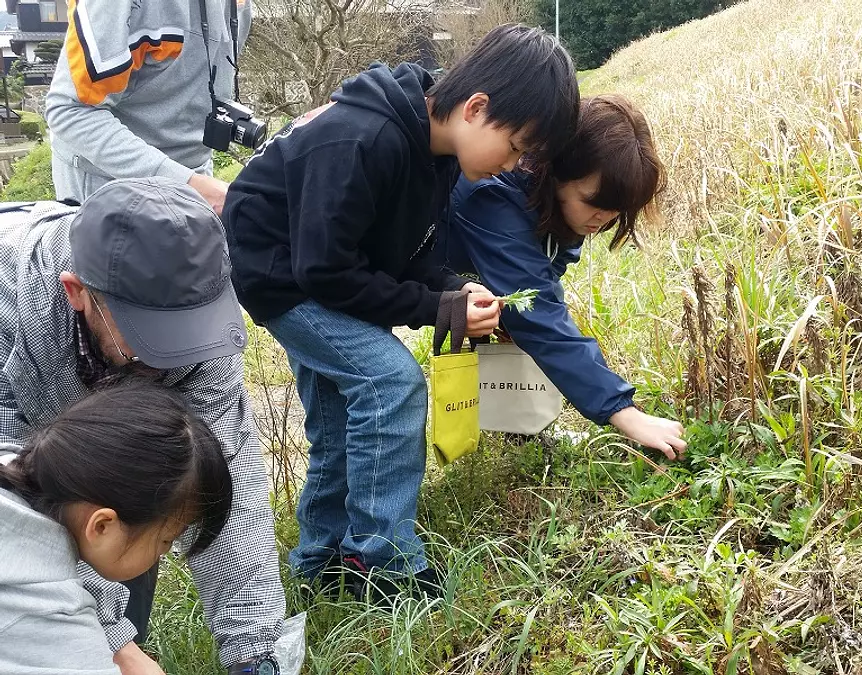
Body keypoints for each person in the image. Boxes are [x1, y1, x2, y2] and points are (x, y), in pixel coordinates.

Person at [222, 24, 579, 600]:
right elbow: (325, 270)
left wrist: (451, 293)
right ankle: (382, 561)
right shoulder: (366, 138)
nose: (513, 165)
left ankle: (320, 561)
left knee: (341, 420)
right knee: (391, 383)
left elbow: (404, 253)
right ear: (477, 108)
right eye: (515, 147)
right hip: (284, 281)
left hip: (322, 273)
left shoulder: (432, 150)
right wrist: (435, 306)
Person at [0, 178, 284, 675]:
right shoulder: (14, 310)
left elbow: (223, 485)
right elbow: (18, 508)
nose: (174, 357)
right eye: (148, 336)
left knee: (142, 519)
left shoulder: (202, 330)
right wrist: (111, 641)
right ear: (78, 293)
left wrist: (254, 652)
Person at [437, 94, 688, 460]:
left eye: (615, 211)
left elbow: (540, 284)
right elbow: (538, 312)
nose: (601, 219)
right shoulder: (495, 195)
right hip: (367, 279)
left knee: (519, 324)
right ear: (557, 171)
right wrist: (624, 413)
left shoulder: (561, 208)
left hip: (447, 275)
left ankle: (519, 430)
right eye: (592, 201)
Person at [0, 380, 233, 675]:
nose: (163, 553)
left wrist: (121, 647)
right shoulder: (51, 616)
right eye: (165, 540)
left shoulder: (13, 466)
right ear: (101, 527)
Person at [45, 0, 253, 214]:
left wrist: (198, 186)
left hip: (196, 179)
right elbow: (70, 111)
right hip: (114, 187)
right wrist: (185, 185)